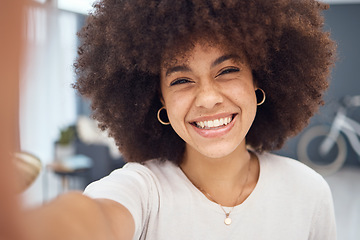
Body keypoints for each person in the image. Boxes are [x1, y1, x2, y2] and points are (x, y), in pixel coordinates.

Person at [0, 0, 337, 240]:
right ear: (158, 98)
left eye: (228, 70)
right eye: (181, 80)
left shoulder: (308, 192)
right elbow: (94, 219)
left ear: (258, 80)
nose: (208, 97)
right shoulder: (143, 190)